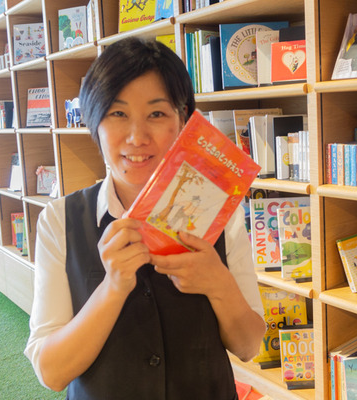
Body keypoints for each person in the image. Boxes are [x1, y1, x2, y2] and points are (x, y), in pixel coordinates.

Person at [24, 37, 266, 399]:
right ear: (94, 122)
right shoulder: (60, 221)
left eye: (156, 114)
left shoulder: (220, 212)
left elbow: (248, 346)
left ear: (183, 121)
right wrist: (112, 288)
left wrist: (218, 283)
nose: (137, 137)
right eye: (117, 114)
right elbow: (52, 372)